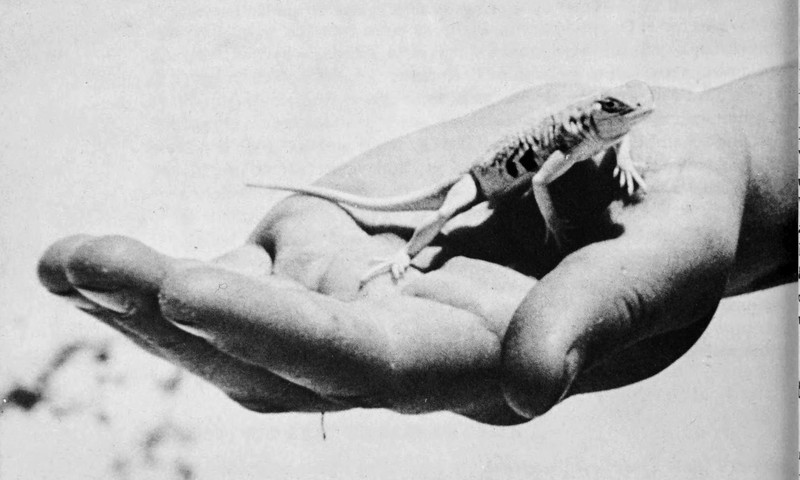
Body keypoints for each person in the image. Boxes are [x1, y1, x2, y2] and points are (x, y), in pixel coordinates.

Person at [37, 66, 795, 425]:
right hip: (480, 182)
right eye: (618, 112)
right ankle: (403, 255)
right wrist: (411, 254)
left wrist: (712, 154)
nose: (628, 117)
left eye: (630, 114)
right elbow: (539, 182)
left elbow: (609, 147)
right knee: (431, 222)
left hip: (507, 176)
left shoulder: (600, 131)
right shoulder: (571, 138)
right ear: (592, 116)